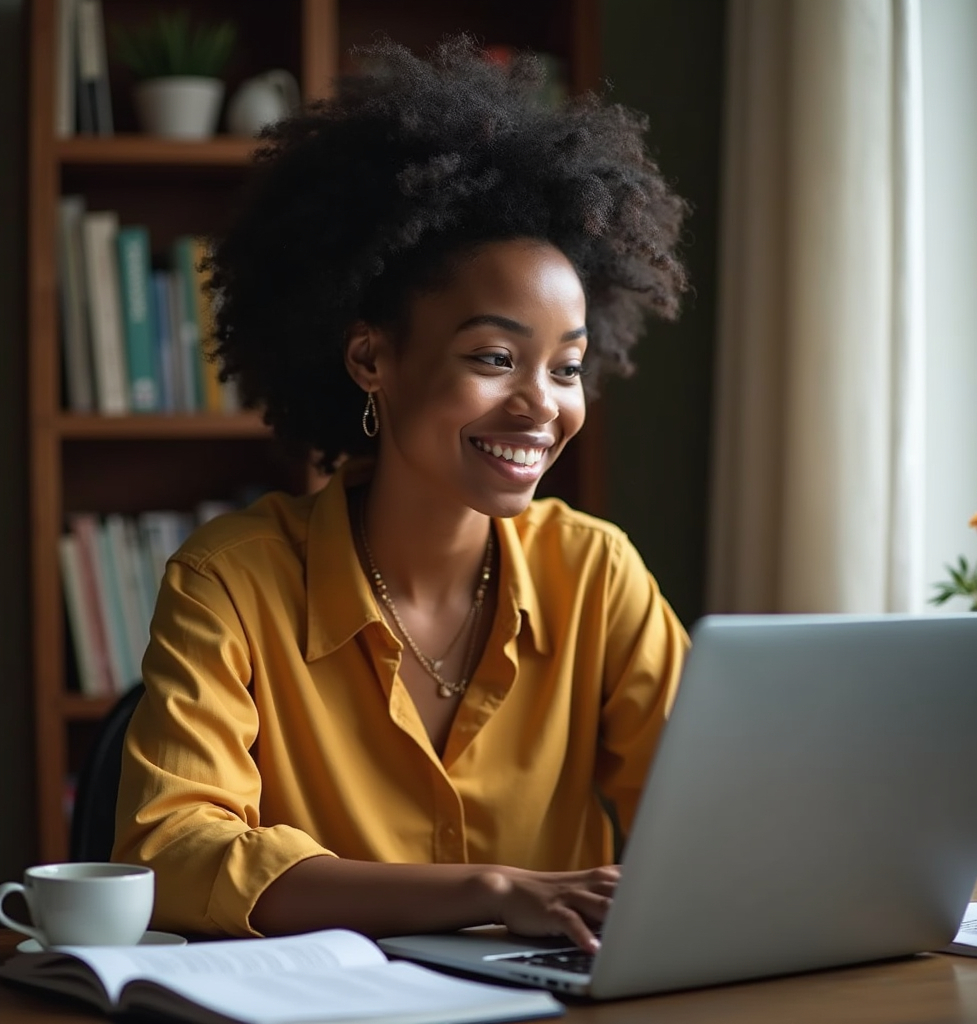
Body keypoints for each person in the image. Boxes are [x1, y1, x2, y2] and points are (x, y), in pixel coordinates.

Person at [113, 37, 690, 954]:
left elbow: (710, 819)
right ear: (371, 357)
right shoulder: (231, 581)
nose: (542, 404)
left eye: (567, 367)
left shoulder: (595, 573)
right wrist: (494, 890)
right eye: (495, 358)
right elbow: (174, 853)